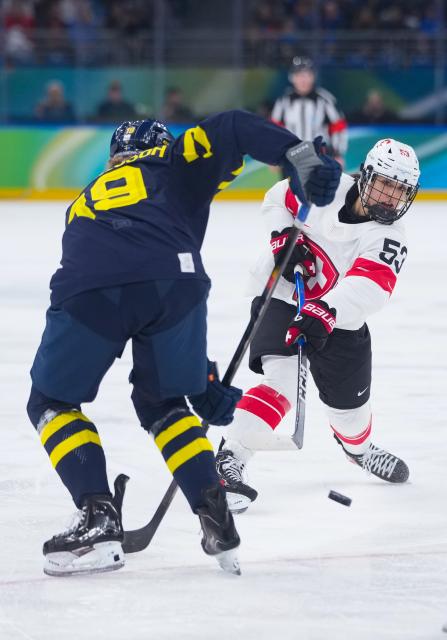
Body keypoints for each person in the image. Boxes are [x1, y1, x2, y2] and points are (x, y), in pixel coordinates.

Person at [26, 110, 342, 576]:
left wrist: (202, 378)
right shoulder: (176, 158)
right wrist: (297, 155)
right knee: (166, 404)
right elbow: (233, 126)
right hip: (178, 282)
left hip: (93, 285)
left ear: (116, 157)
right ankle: (215, 513)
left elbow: (114, 270)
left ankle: (97, 516)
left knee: (51, 401)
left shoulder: (85, 198)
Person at [215, 138, 420, 514]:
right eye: (386, 184)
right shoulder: (327, 187)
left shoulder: (389, 237)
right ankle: (230, 459)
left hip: (340, 319)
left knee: (350, 412)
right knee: (281, 382)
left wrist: (326, 309)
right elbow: (278, 198)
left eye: (400, 190)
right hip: (283, 296)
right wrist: (282, 240)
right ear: (366, 176)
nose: (392, 197)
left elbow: (371, 287)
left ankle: (358, 451)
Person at [271, 56, 348, 166]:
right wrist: (274, 155)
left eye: (307, 75)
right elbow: (275, 130)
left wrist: (338, 154)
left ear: (313, 77)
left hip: (321, 158)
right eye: (299, 75)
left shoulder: (325, 99)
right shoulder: (283, 101)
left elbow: (338, 127)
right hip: (291, 159)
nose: (303, 79)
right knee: (291, 184)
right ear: (292, 77)